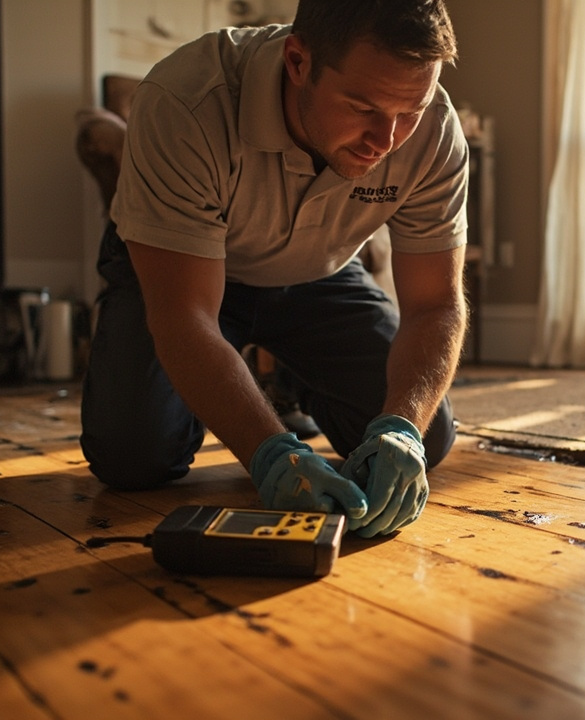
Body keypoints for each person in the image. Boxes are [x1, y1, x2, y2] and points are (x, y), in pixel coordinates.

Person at [79, 0, 468, 538]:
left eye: (410, 112)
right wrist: (269, 451)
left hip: (320, 275)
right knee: (132, 458)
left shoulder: (436, 133)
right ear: (298, 62)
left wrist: (401, 429)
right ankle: (249, 390)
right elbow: (184, 315)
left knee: (427, 436)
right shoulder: (185, 102)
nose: (387, 140)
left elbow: (434, 306)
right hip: (183, 273)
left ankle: (287, 377)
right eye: (362, 107)